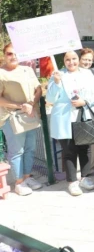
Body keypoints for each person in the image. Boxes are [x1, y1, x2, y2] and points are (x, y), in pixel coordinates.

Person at [46, 50, 94, 196]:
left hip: (83, 114)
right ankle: (72, 181)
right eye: (68, 59)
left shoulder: (87, 74)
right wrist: (57, 83)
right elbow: (50, 99)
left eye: (74, 58)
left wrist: (85, 101)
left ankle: (85, 177)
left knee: (85, 148)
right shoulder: (58, 75)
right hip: (64, 117)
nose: (71, 62)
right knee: (69, 150)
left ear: (79, 59)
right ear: (63, 61)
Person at [0, 44, 43, 196]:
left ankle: (27, 177)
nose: (13, 56)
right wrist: (20, 105)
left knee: (30, 148)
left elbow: (38, 89)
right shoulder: (1, 73)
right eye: (10, 54)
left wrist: (31, 104)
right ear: (5, 55)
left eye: (16, 53)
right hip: (11, 117)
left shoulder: (27, 70)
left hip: (29, 114)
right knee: (17, 151)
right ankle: (18, 182)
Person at [78, 48, 94, 177]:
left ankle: (91, 166)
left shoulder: (92, 73)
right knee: (82, 140)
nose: (87, 62)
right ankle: (82, 168)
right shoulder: (73, 73)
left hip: (93, 109)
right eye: (85, 59)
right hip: (79, 111)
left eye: (90, 60)